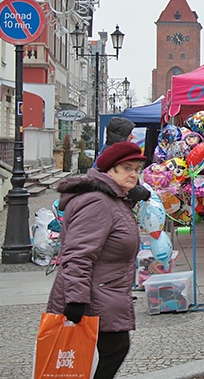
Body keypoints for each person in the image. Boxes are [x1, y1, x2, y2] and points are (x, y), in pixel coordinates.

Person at [46, 142, 149, 379]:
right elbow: (77, 254)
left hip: (103, 293)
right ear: (108, 170)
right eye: (126, 168)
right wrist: (75, 300)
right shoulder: (97, 202)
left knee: (108, 353)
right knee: (110, 352)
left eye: (137, 169)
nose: (134, 174)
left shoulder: (113, 200)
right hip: (91, 297)